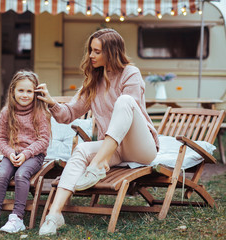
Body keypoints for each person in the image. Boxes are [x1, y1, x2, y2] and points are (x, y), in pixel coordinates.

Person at [35, 28, 159, 236]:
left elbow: (130, 111)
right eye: (90, 50)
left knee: (125, 101)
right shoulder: (94, 80)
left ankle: (98, 164)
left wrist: (101, 158)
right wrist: (51, 102)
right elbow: (68, 114)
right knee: (82, 149)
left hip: (141, 148)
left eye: (97, 51)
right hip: (114, 151)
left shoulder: (131, 73)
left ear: (111, 52)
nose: (91, 56)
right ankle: (54, 215)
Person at [0, 70, 51, 233]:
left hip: (34, 156)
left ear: (35, 93)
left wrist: (26, 154)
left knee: (21, 175)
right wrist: (9, 153)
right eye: (21, 90)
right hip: (11, 154)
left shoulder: (40, 112)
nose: (25, 95)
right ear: (13, 91)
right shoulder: (7, 112)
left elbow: (44, 140)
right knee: (1, 175)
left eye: (29, 91)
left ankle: (17, 218)